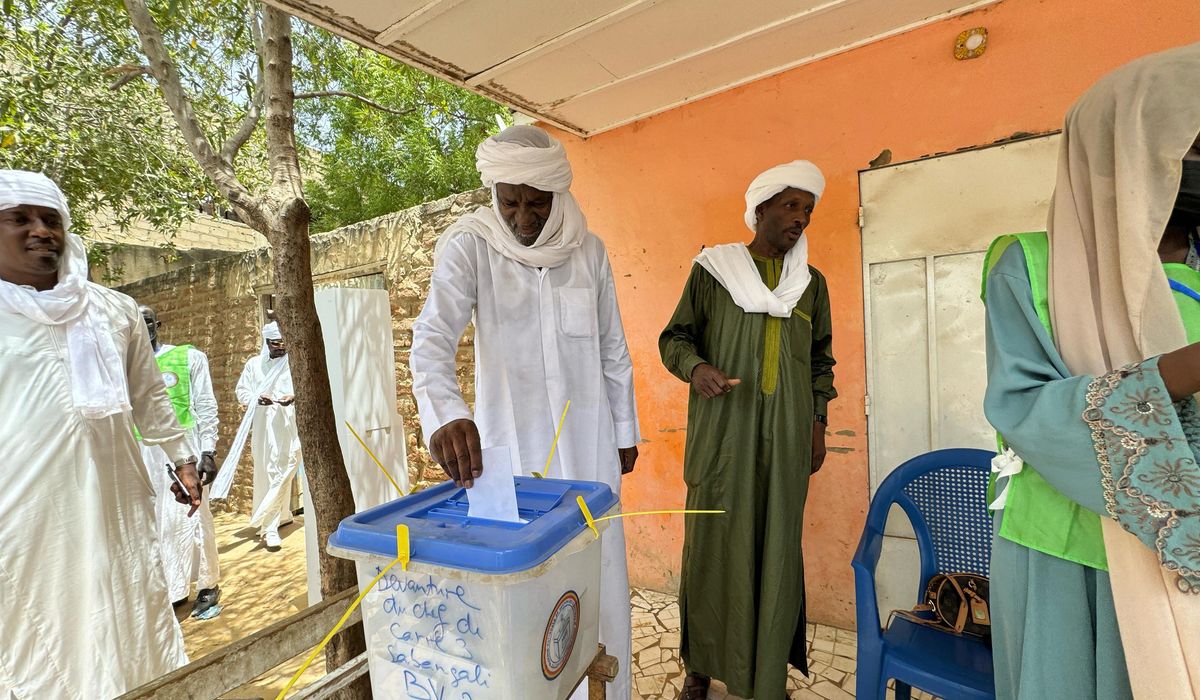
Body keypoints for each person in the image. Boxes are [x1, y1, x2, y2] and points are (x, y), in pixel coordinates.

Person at [982, 43, 1200, 699]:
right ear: (1117, 152)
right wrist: (1184, 372)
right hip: (1072, 553)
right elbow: (1022, 409)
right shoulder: (1029, 266)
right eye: (1191, 144)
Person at [411, 124, 640, 700]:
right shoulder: (470, 244)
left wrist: (625, 429)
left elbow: (613, 347)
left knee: (597, 578)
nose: (521, 218)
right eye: (509, 201)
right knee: (524, 594)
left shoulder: (589, 250)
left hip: (589, 446)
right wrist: (444, 413)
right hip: (511, 452)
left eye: (536, 203)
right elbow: (432, 338)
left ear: (558, 195)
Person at [0, 170, 201, 696]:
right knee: (44, 638)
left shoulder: (114, 309)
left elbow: (149, 396)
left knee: (130, 614)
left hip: (117, 499)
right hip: (24, 516)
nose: (40, 231)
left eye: (50, 219)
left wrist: (182, 456)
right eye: (19, 219)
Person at [659, 160, 837, 700]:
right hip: (723, 436)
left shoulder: (811, 285)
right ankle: (700, 666)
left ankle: (765, 674)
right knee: (714, 545)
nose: (800, 219)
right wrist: (697, 369)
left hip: (785, 440)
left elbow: (822, 363)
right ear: (760, 209)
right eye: (790, 206)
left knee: (775, 547)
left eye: (807, 210)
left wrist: (817, 424)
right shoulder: (713, 271)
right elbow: (674, 339)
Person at [138, 304, 223, 617]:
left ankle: (207, 584)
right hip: (143, 450)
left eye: (146, 321)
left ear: (158, 324)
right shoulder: (124, 364)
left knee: (195, 519)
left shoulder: (188, 357)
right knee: (156, 522)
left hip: (184, 450)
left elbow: (205, 405)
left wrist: (208, 451)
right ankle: (171, 586)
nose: (141, 327)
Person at [230, 321, 300, 551]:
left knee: (287, 467)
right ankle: (273, 523)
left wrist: (292, 396)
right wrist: (258, 398)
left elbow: (304, 387)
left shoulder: (294, 362)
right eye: (275, 343)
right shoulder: (254, 365)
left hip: (289, 424)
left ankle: (274, 520)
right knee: (270, 472)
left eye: (283, 343)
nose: (280, 347)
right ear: (267, 343)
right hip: (265, 427)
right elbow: (242, 392)